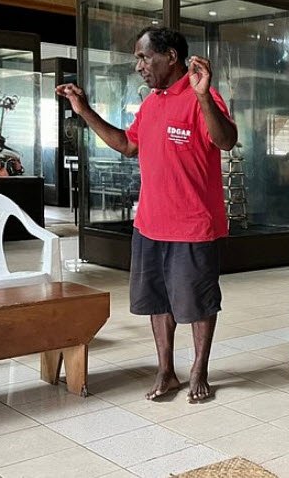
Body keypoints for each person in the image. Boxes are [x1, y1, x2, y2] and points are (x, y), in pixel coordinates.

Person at [56, 26, 237, 403]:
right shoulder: (152, 102)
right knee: (158, 300)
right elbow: (126, 144)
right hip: (150, 224)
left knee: (198, 302)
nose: (139, 65)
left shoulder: (202, 94)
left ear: (171, 56)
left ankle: (199, 371)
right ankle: (166, 371)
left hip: (193, 224)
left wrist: (203, 96)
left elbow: (225, 141)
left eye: (144, 56)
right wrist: (84, 110)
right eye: (137, 58)